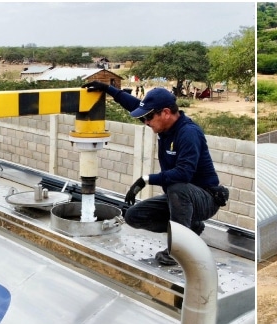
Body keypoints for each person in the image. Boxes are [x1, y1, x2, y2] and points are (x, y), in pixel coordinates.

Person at [82, 81, 229, 266]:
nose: (146, 122)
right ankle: (191, 227)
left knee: (177, 187)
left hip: (205, 198)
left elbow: (183, 174)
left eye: (149, 118)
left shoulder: (188, 133)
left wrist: (146, 179)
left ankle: (179, 252)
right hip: (179, 198)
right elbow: (135, 105)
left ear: (166, 113)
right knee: (133, 216)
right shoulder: (162, 125)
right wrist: (108, 89)